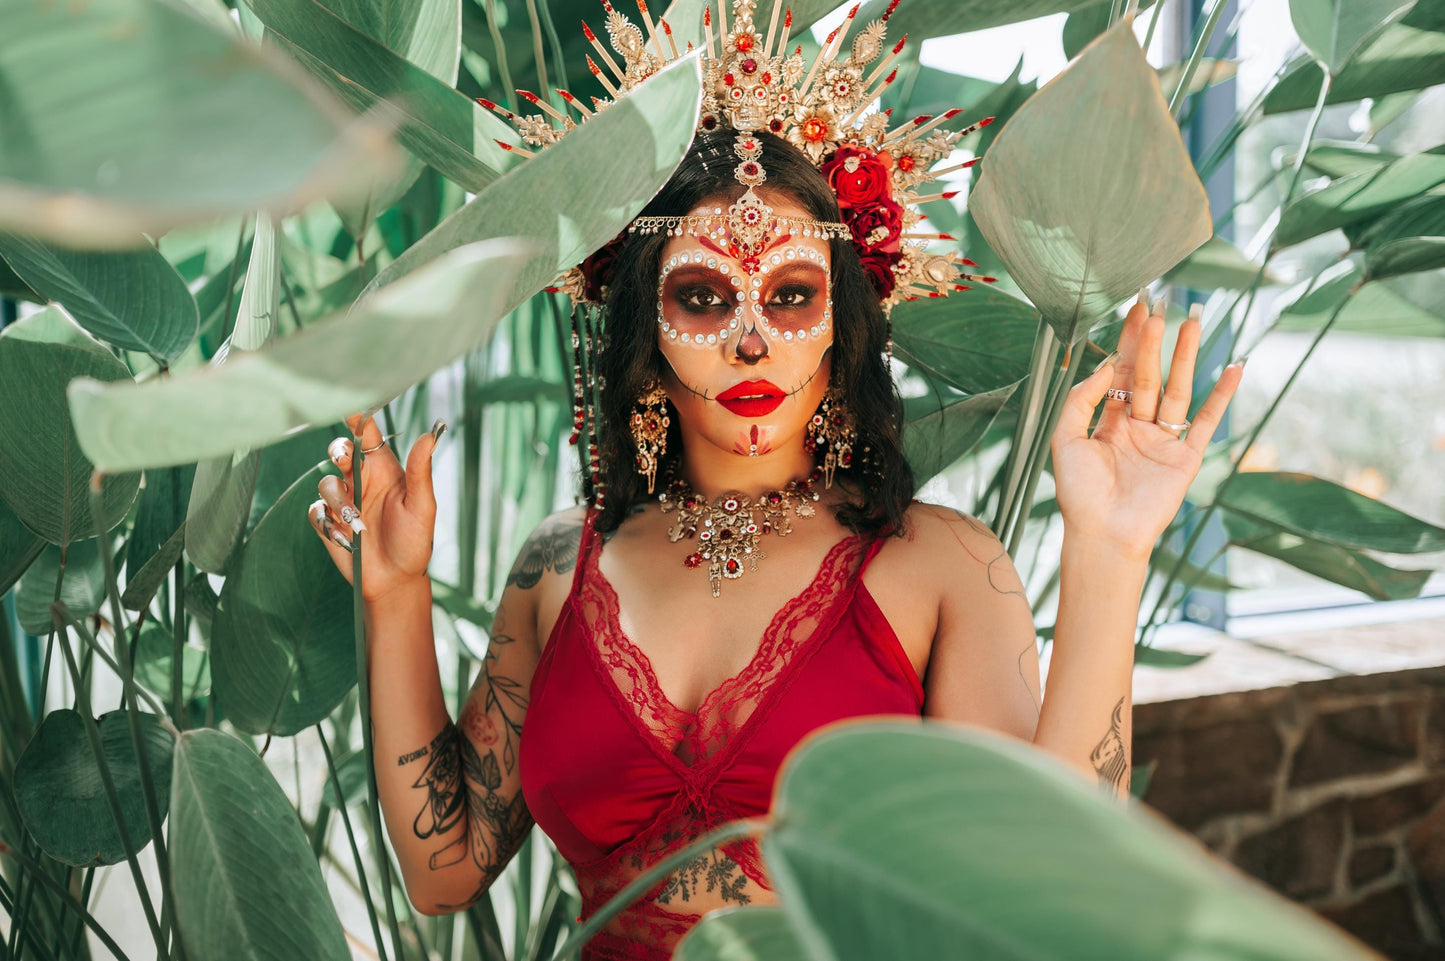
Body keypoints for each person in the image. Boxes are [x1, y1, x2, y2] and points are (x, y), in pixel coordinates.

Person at [303, 3, 1246, 958]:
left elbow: (1047, 892)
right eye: (704, 297)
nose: (751, 337)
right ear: (643, 332)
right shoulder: (557, 563)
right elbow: (445, 867)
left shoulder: (942, 566)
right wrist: (395, 595)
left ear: (843, 324)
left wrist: (1111, 547)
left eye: (792, 294)